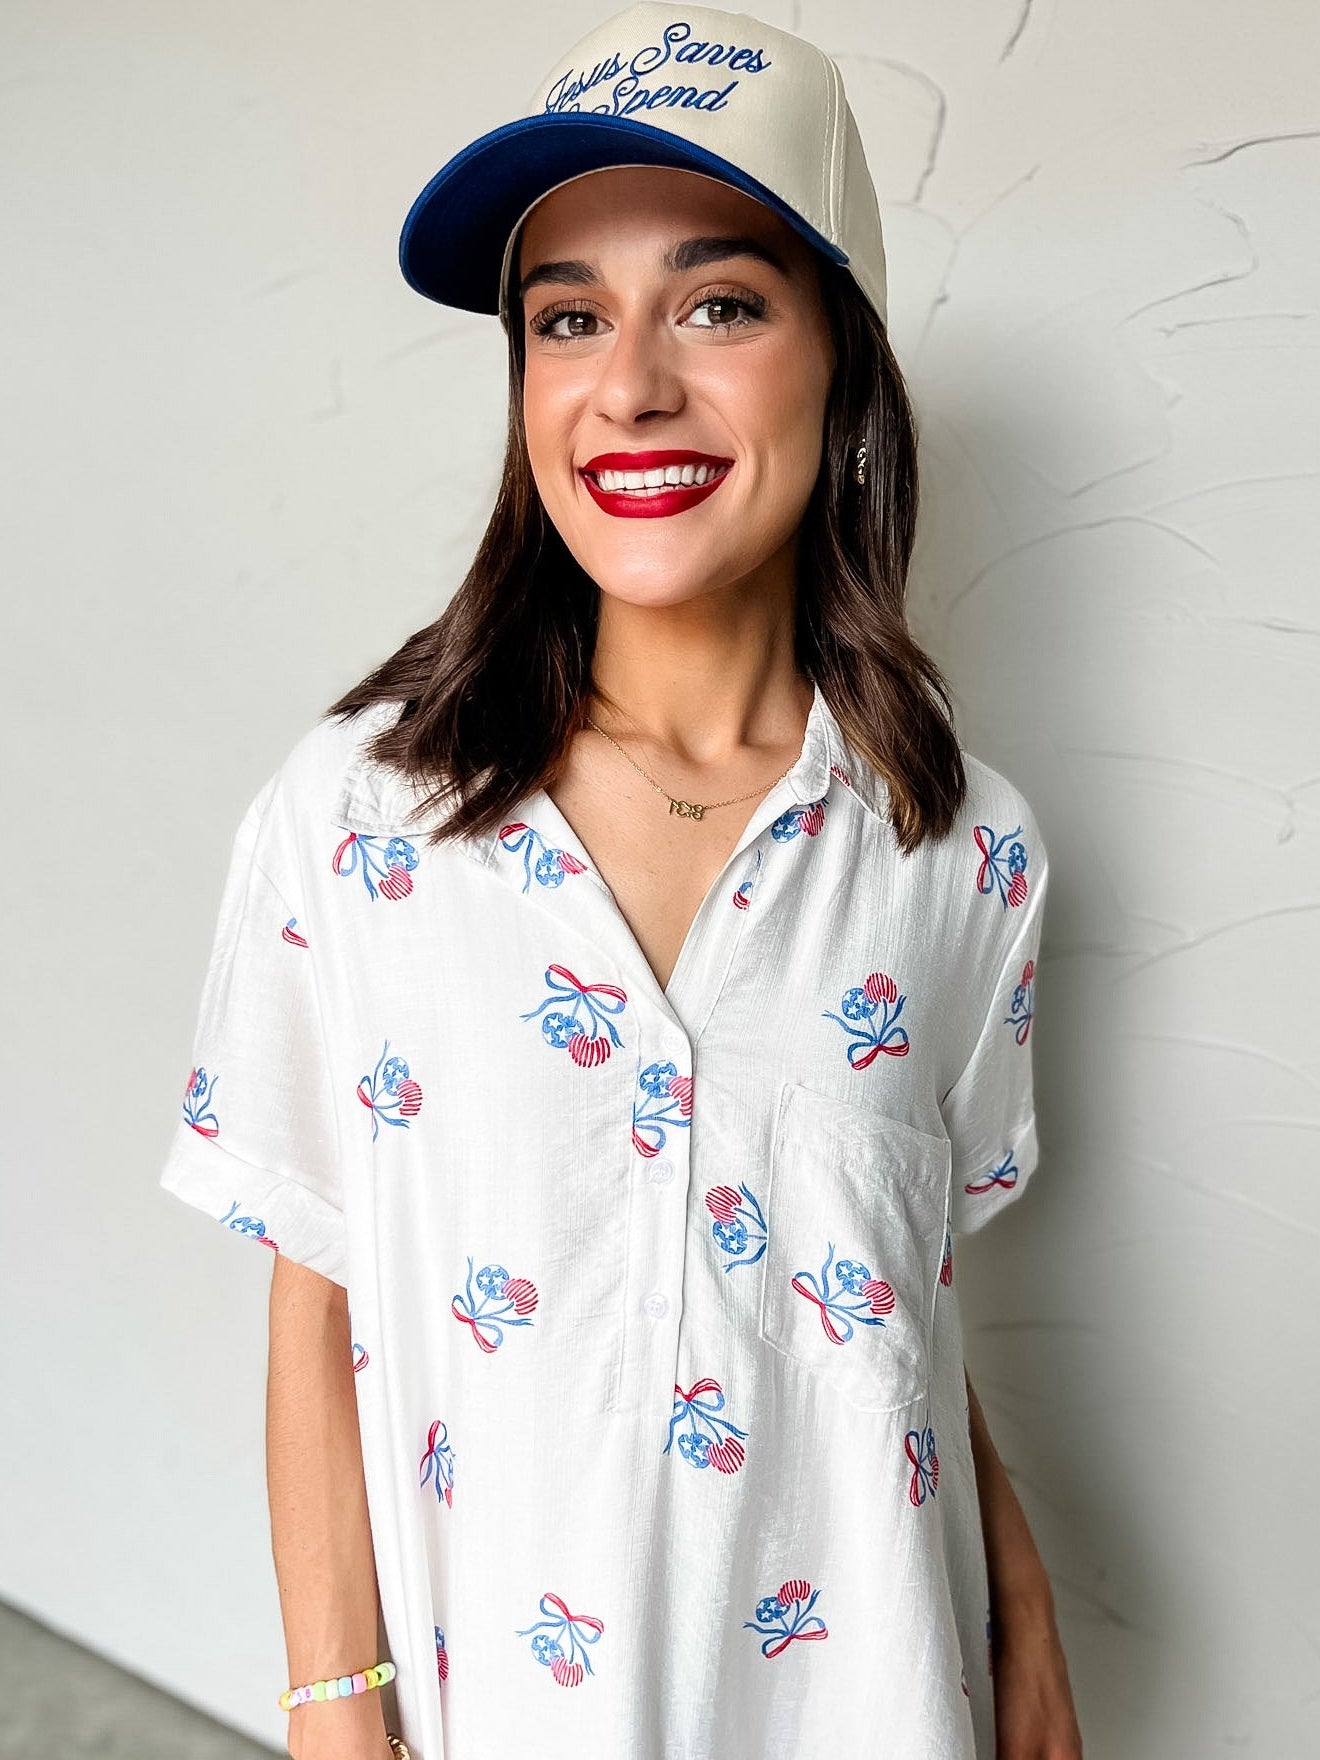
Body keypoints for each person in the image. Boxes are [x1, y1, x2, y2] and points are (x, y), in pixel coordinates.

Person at [159, 5, 1083, 1757]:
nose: (631, 383)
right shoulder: (362, 818)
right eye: (567, 318)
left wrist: (1019, 1603)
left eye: (718, 304)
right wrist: (335, 1707)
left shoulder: (965, 851)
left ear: (844, 360)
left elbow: (891, 1301)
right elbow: (321, 1288)